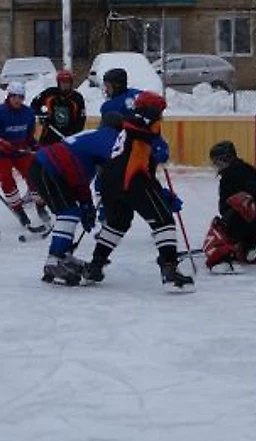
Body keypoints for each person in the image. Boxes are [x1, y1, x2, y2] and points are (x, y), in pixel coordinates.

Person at [82, 91, 195, 292]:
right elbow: (133, 126)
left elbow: (145, 163)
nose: (161, 115)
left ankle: (95, 266)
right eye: (160, 110)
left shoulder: (133, 126)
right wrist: (154, 140)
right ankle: (169, 271)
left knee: (118, 223)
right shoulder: (140, 120)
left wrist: (160, 191)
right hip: (131, 180)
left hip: (110, 181)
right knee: (163, 220)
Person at [34, 114, 125, 285]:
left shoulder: (93, 137)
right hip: (51, 167)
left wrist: (87, 206)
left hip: (47, 165)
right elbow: (116, 170)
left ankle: (62, 256)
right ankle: (55, 260)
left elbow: (82, 180)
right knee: (68, 212)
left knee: (71, 211)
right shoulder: (110, 138)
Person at [203, 140, 256, 272]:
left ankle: (221, 258)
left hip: (245, 221)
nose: (216, 166)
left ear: (225, 159)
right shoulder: (248, 169)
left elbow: (229, 207)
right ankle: (251, 245)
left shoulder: (230, 176)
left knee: (219, 226)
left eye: (217, 162)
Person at [0, 80, 48, 236]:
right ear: (9, 96)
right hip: (1, 153)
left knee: (34, 175)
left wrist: (37, 147)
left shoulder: (28, 113)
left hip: (21, 150)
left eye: (21, 97)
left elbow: (29, 136)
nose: (18, 100)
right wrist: (2, 143)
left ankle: (40, 205)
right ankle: (18, 210)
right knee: (6, 179)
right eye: (15, 96)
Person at [30, 69, 87, 145]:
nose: (65, 85)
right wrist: (42, 115)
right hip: (49, 135)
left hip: (68, 137)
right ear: (58, 83)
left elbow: (81, 119)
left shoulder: (77, 98)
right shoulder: (50, 93)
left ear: (71, 83)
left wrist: (73, 134)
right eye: (62, 82)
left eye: (67, 82)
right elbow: (34, 105)